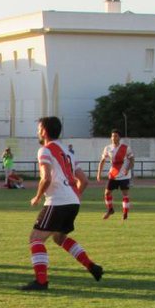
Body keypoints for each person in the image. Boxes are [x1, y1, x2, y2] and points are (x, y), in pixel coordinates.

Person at [21, 116, 103, 290]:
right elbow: (84, 181)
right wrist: (74, 196)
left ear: (44, 131)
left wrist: (37, 196)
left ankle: (41, 282)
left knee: (35, 239)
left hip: (57, 201)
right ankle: (92, 266)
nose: (37, 131)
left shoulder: (45, 150)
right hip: (72, 201)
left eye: (38, 128)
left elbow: (46, 178)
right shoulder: (67, 151)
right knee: (59, 238)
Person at [96, 130, 135, 220]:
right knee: (107, 193)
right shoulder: (108, 148)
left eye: (116, 136)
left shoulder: (126, 148)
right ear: (111, 137)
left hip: (124, 176)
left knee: (125, 194)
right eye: (112, 136)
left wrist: (127, 169)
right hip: (113, 175)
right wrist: (98, 174)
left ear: (119, 138)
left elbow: (132, 160)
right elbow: (102, 161)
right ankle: (110, 210)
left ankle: (125, 215)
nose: (114, 138)